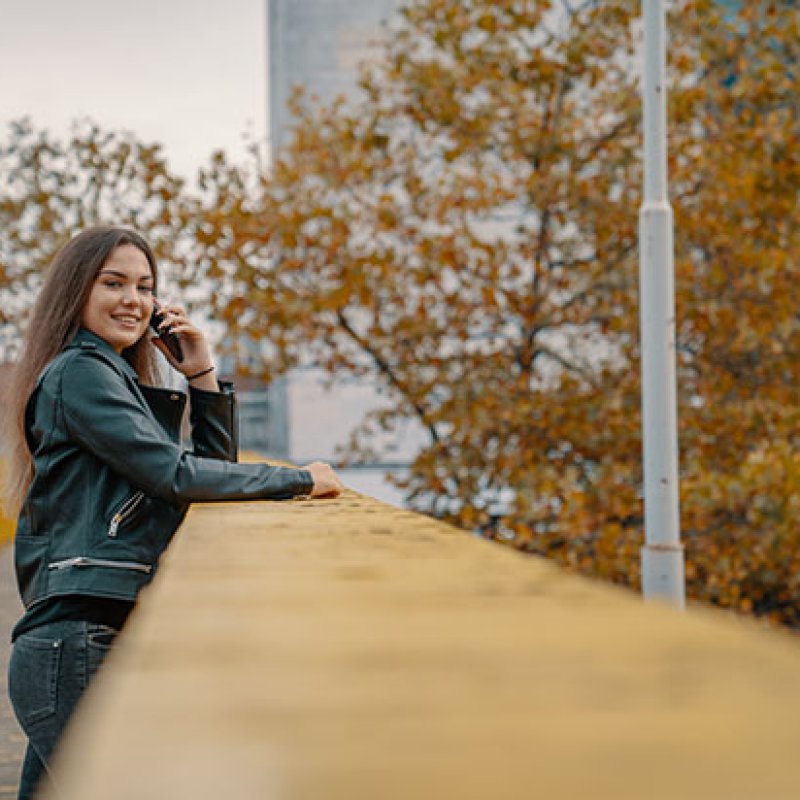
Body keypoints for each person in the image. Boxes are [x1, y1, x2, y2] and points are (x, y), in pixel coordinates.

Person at [2, 226, 343, 799]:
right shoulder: (80, 374)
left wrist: (202, 377)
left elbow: (205, 478)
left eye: (144, 286)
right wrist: (299, 479)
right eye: (113, 282)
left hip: (78, 642)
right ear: (76, 291)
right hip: (79, 641)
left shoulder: (110, 376)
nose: (132, 300)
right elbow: (177, 474)